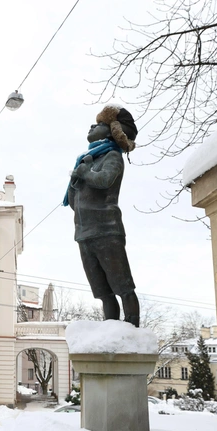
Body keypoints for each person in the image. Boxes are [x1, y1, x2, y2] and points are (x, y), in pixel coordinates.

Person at [63, 105, 140, 327]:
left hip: (107, 230)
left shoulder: (112, 156)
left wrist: (85, 173)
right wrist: (76, 180)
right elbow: (74, 203)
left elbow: (105, 180)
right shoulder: (88, 159)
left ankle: (131, 332)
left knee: (123, 287)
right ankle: (110, 330)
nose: (92, 126)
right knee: (103, 292)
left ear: (111, 131)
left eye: (98, 125)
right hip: (84, 233)